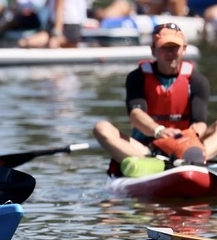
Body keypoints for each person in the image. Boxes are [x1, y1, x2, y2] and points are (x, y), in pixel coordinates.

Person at [93, 22, 217, 168]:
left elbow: (200, 123)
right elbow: (136, 115)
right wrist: (159, 131)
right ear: (153, 50)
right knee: (101, 128)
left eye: (174, 48)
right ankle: (147, 164)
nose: (170, 53)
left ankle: (195, 159)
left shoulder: (198, 81)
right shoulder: (137, 77)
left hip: (186, 146)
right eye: (164, 48)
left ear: (184, 49)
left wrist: (184, 139)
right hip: (147, 148)